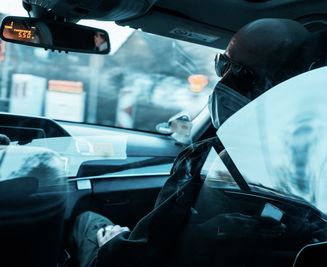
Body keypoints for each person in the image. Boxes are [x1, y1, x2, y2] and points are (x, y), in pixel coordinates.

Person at [69, 18, 312, 267]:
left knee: (87, 222)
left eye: (241, 74)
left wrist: (113, 242)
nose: (223, 83)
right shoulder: (319, 162)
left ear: (283, 86)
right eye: (223, 65)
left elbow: (143, 252)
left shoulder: (207, 159)